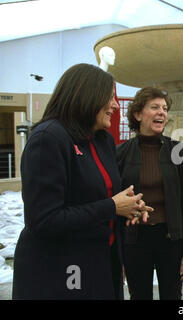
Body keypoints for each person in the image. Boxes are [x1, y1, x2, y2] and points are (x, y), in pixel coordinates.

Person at [12, 63, 152, 299]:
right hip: (58, 273)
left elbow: (99, 198)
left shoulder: (102, 141)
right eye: (109, 98)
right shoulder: (48, 139)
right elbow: (44, 220)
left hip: (101, 265)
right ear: (88, 96)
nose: (115, 105)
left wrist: (128, 208)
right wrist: (112, 207)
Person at [116, 86, 183, 300]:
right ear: (137, 114)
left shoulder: (178, 150)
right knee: (139, 296)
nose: (161, 112)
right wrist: (119, 256)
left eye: (164, 108)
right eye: (154, 107)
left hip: (171, 240)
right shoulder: (120, 153)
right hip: (134, 241)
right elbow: (115, 205)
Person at [98, 46, 122, 145]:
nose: (113, 58)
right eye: (110, 55)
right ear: (102, 56)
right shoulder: (97, 77)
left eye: (114, 55)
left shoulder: (110, 79)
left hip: (112, 115)